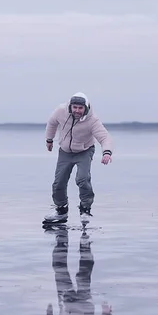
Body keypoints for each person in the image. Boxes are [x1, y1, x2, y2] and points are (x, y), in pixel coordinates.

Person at [43, 92, 113, 225]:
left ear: (85, 108)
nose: (77, 110)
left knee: (82, 178)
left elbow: (105, 137)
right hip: (65, 152)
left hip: (84, 151)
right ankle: (61, 210)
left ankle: (85, 210)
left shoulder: (92, 120)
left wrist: (107, 152)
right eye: (75, 107)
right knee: (59, 182)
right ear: (70, 106)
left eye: (80, 108)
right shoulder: (60, 111)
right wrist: (49, 140)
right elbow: (52, 123)